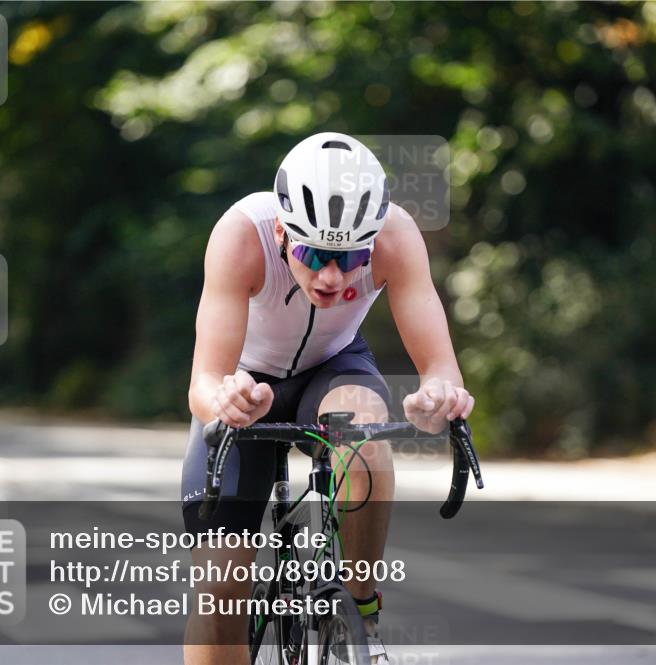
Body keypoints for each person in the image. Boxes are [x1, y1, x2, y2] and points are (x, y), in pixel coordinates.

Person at [182, 132, 475, 665]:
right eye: (313, 253)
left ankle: (360, 617)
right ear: (281, 230)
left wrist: (438, 397)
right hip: (247, 383)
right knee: (221, 587)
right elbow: (204, 382)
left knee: (365, 431)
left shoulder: (397, 236)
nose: (332, 276)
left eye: (350, 256)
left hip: (333, 369)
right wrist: (225, 400)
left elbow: (441, 371)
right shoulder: (240, 235)